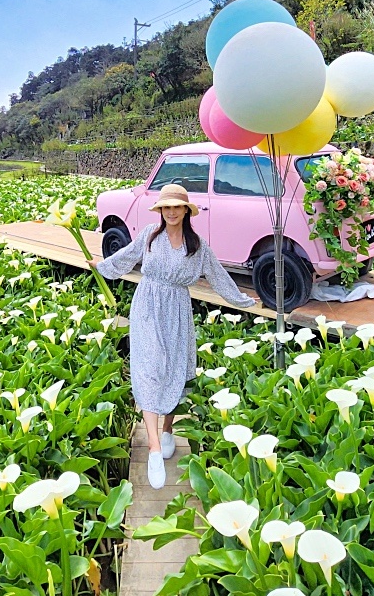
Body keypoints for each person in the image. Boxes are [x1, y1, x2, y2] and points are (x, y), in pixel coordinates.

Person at [88, 183, 256, 489]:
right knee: (150, 369)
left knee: (177, 370)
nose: (171, 212)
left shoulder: (198, 247)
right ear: (161, 211)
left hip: (177, 310)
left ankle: (167, 431)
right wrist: (101, 266)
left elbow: (219, 276)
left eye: (177, 207)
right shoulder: (151, 235)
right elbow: (126, 256)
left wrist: (243, 300)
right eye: (166, 207)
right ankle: (154, 448)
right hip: (147, 305)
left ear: (186, 211)